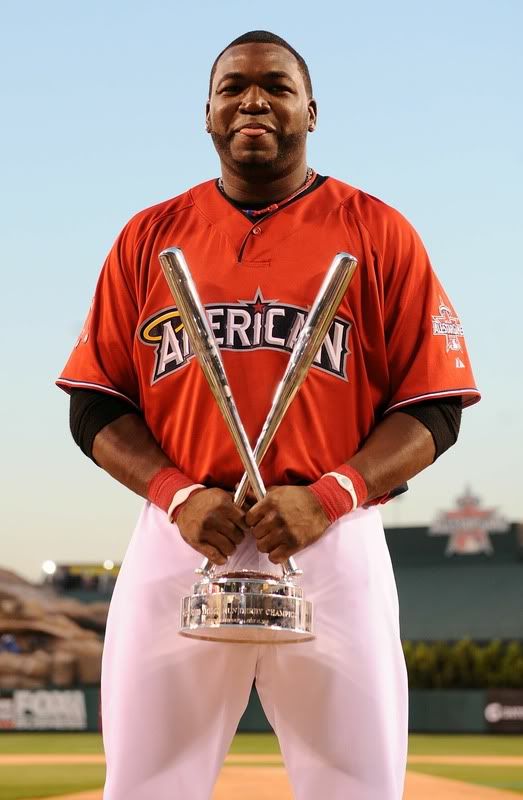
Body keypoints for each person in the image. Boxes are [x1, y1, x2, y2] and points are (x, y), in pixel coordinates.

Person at [57, 30, 480, 800]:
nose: (253, 99)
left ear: (310, 111)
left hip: (331, 534)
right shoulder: (147, 236)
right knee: (146, 784)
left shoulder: (378, 231)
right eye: (233, 87)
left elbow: (436, 407)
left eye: (276, 86)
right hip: (181, 533)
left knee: (356, 785)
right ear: (208, 115)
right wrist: (177, 496)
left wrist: (331, 495)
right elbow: (95, 405)